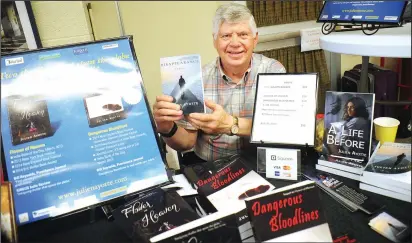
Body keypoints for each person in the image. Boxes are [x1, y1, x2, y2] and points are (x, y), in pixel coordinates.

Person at [153, 3, 286, 163]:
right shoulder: (196, 79)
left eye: (243, 34)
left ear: (255, 39)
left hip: (262, 164)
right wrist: (166, 127)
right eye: (226, 36)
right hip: (213, 168)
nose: (235, 43)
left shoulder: (274, 71)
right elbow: (186, 143)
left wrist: (230, 124)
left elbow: (280, 130)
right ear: (215, 41)